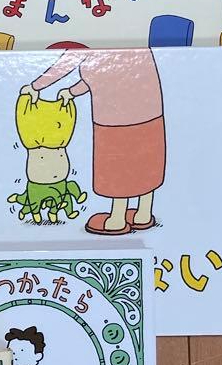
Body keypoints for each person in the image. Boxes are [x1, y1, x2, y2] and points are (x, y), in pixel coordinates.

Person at [24, 48, 164, 235]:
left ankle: (116, 220)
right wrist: (72, 91)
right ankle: (143, 214)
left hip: (113, 118)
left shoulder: (89, 41)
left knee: (119, 165)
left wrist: (36, 86)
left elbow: (69, 62)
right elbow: (99, 76)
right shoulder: (134, 42)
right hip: (151, 111)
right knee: (144, 161)